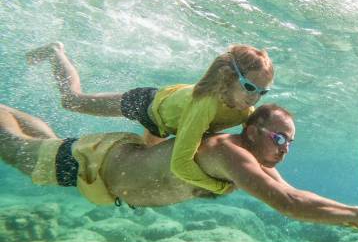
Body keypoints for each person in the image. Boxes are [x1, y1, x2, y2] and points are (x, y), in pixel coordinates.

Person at [0, 103, 358, 239]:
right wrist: (355, 216)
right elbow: (288, 204)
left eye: (290, 143)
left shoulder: (250, 159)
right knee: (18, 153)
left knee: (39, 147)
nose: (284, 150)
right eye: (279, 139)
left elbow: (296, 193)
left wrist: (355, 215)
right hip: (98, 165)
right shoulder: (232, 155)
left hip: (107, 161)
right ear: (252, 131)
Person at [26, 42, 274, 191]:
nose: (254, 98)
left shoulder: (245, 112)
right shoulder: (205, 106)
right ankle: (55, 51)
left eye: (263, 92)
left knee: (142, 163)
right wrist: (219, 186)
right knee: (72, 101)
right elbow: (180, 164)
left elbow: (254, 149)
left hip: (165, 123)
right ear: (228, 77)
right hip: (145, 105)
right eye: (250, 88)